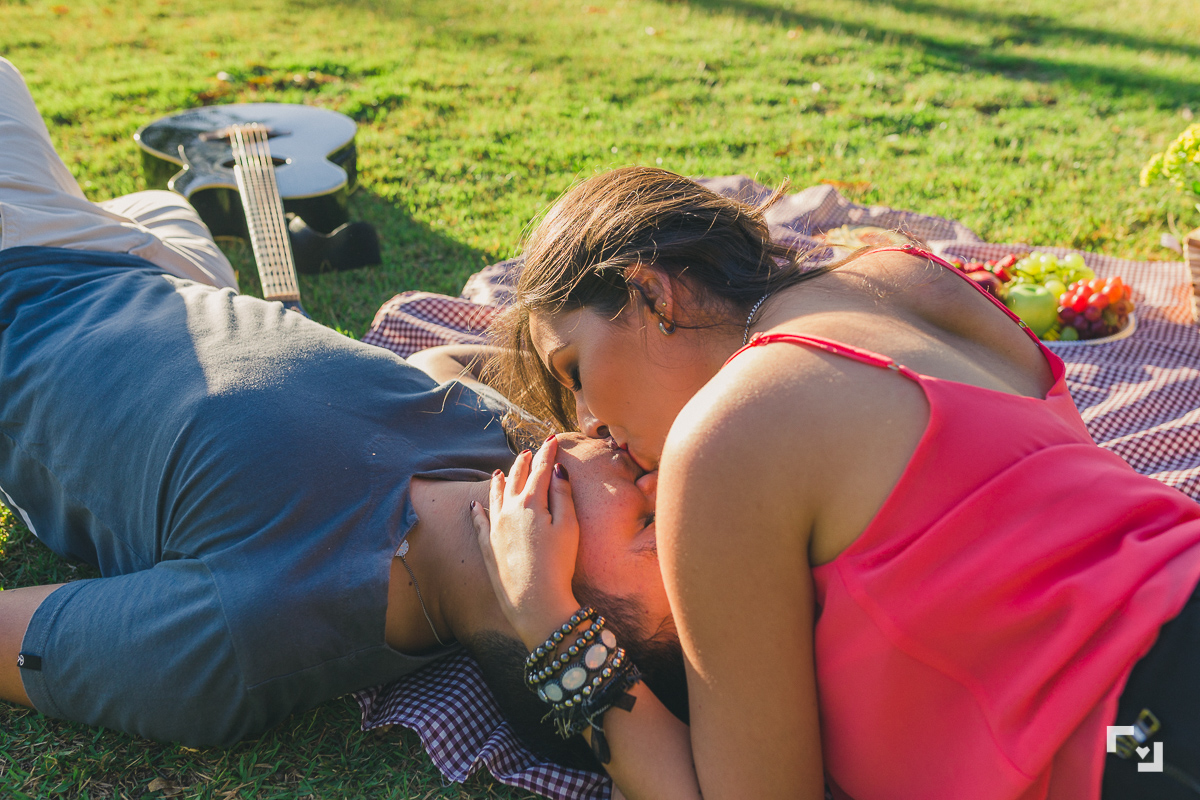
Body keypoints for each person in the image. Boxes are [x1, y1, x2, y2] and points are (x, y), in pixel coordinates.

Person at [0, 58, 684, 761]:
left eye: (648, 523)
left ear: (556, 605)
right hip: (167, 273)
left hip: (24, 284)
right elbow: (437, 365)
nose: (662, 478)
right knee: (163, 206)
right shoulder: (511, 452)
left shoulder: (253, 633)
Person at [472, 165, 1200, 799]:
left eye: (575, 372)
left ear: (653, 296)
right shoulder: (905, 276)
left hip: (1141, 725)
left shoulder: (728, 436)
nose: (591, 421)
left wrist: (551, 626)